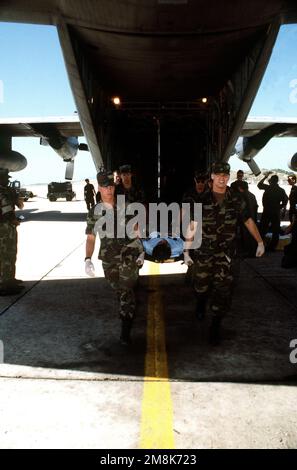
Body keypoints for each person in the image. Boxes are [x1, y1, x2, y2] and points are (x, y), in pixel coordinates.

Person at [183, 162, 265, 345]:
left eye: (225, 175)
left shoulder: (236, 199)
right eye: (218, 174)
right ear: (212, 176)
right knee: (201, 285)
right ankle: (201, 302)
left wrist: (260, 241)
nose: (222, 178)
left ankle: (215, 326)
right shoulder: (201, 200)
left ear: (229, 176)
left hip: (226, 253)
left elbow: (248, 221)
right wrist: (186, 250)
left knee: (223, 290)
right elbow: (193, 226)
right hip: (204, 252)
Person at [84, 170, 143, 345]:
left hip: (128, 256)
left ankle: (125, 330)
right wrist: (87, 259)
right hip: (108, 259)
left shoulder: (127, 206)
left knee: (126, 290)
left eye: (111, 186)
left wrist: (141, 250)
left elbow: (138, 230)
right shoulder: (95, 212)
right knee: (117, 288)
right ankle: (128, 307)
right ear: (99, 189)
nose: (109, 190)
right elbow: (91, 237)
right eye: (105, 187)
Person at [0, 168, 24, 296]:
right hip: (3, 226)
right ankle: (4, 284)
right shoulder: (1, 192)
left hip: (8, 226)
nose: (7, 180)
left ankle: (10, 280)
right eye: (4, 178)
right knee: (5, 255)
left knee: (11, 253)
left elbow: (19, 204)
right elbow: (7, 209)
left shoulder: (6, 190)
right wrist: (13, 220)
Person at [257, 172, 288, 251]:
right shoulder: (281, 190)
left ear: (270, 181)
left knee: (263, 229)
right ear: (277, 181)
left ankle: (260, 244)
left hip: (266, 211)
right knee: (276, 230)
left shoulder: (268, 188)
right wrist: (279, 208)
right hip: (275, 212)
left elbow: (259, 185)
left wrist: (265, 177)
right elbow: (285, 202)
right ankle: (272, 247)